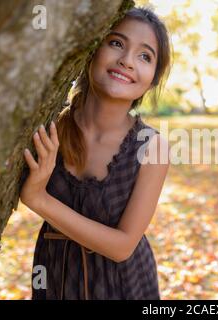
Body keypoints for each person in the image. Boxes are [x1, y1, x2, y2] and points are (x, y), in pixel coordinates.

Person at [19, 6, 172, 300]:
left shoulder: (152, 147)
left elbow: (122, 246)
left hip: (122, 285)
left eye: (145, 56)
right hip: (54, 275)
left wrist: (39, 200)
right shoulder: (50, 128)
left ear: (152, 78)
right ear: (92, 50)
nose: (127, 61)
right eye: (116, 43)